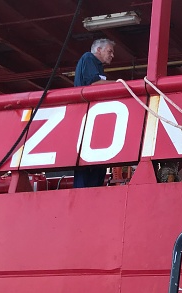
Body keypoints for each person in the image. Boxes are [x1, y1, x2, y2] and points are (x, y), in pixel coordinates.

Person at [73, 39, 115, 188]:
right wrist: (120, 83)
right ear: (98, 50)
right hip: (88, 117)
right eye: (109, 51)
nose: (112, 55)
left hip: (91, 119)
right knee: (89, 167)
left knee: (94, 167)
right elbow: (94, 84)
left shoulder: (96, 66)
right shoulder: (88, 58)